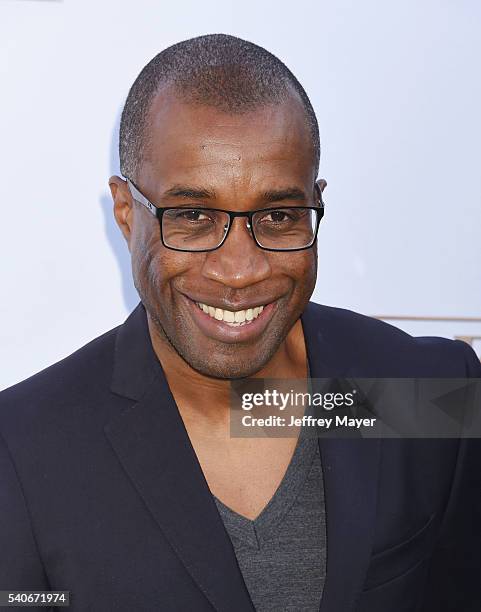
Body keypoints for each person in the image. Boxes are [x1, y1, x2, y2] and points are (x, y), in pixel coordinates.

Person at [0, 34, 480, 612]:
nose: (240, 271)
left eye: (278, 216)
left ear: (315, 202)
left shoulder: (422, 392)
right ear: (127, 214)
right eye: (195, 217)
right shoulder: (25, 452)